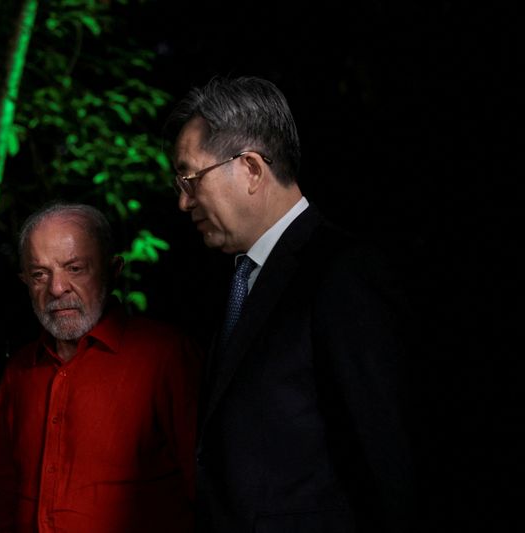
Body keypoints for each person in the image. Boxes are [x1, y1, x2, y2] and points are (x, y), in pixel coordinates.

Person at [164, 76, 415, 533]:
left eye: (190, 178)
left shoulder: (344, 275)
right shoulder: (238, 279)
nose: (183, 202)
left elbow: (387, 457)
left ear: (252, 169)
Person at [0, 202, 201, 533]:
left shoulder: (164, 356)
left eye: (74, 268)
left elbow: (206, 488)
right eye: (39, 274)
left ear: (112, 270)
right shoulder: (19, 371)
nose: (56, 288)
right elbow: (4, 498)